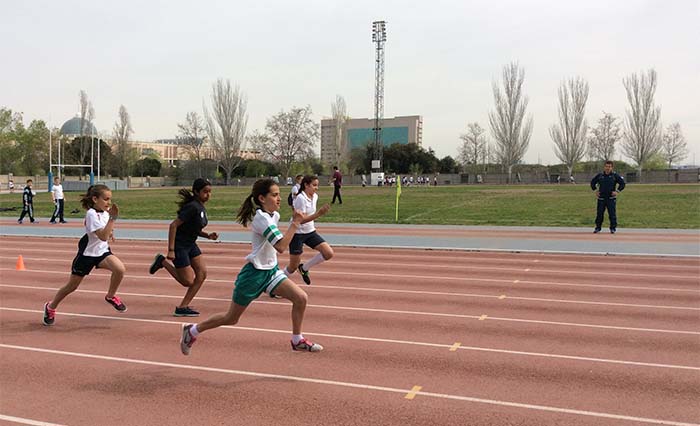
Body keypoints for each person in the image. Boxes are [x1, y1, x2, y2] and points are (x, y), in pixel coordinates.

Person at [179, 178, 323, 355]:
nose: (279, 199)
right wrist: (295, 224)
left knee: (301, 298)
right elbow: (281, 247)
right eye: (274, 195)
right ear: (262, 198)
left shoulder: (274, 215)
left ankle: (297, 340)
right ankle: (192, 330)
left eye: (279, 195)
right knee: (231, 318)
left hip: (270, 272)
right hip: (253, 275)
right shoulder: (261, 219)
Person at [42, 185, 127, 326]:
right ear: (95, 199)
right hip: (87, 255)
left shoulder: (105, 214)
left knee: (120, 269)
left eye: (110, 199)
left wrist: (112, 229)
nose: (109, 203)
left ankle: (110, 296)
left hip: (102, 252)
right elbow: (102, 236)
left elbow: (107, 232)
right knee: (72, 286)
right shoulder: (91, 214)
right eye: (106, 199)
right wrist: (113, 219)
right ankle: (51, 307)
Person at [149, 178, 218, 317]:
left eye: (210, 192)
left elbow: (193, 228)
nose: (208, 195)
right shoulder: (192, 207)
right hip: (180, 245)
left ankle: (183, 307)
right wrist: (171, 250)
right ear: (196, 192)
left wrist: (208, 235)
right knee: (187, 281)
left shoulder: (200, 207)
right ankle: (162, 261)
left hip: (191, 244)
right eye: (205, 192)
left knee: (202, 274)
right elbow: (173, 225)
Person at [282, 175, 332, 286]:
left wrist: (317, 215)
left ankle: (304, 268)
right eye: (314, 185)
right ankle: (274, 284)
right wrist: (318, 214)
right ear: (306, 185)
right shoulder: (300, 198)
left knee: (328, 253)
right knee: (292, 266)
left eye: (317, 185)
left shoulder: (315, 197)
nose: (316, 188)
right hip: (297, 233)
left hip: (310, 232)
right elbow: (300, 220)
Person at [590, 160, 626, 234]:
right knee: (599, 214)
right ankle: (598, 228)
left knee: (612, 214)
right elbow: (592, 182)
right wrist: (595, 191)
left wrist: (617, 191)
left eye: (609, 167)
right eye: (606, 166)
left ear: (612, 167)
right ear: (604, 167)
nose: (608, 168)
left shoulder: (615, 175)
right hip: (601, 198)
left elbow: (622, 184)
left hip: (611, 198)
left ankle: (613, 228)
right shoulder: (600, 175)